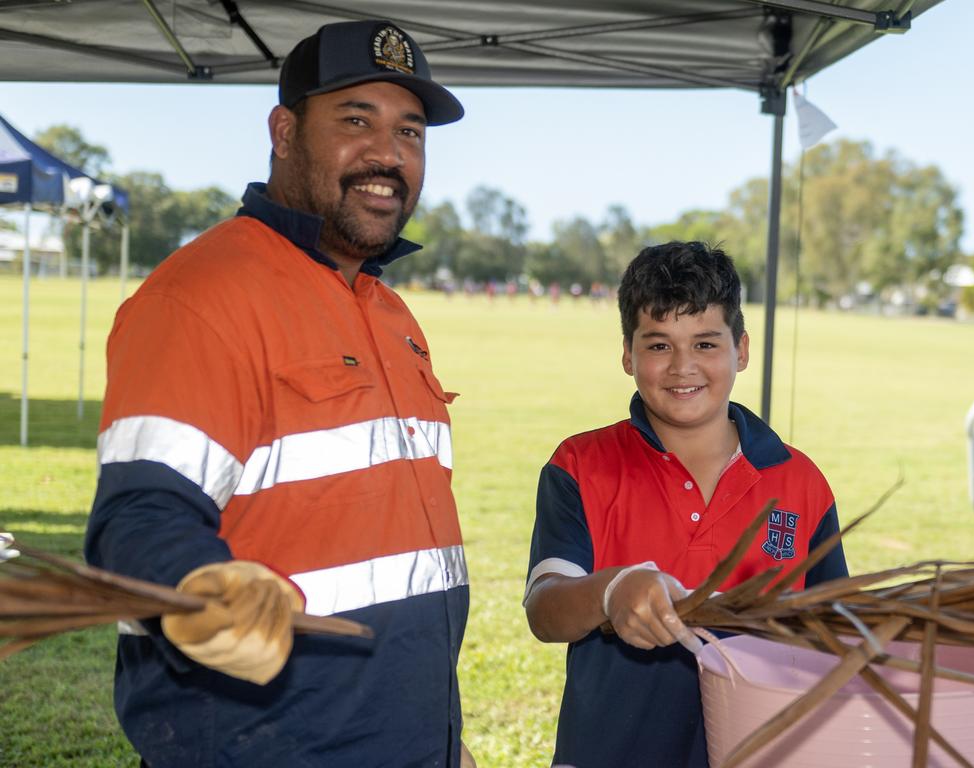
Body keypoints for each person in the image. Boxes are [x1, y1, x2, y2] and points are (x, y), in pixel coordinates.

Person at [85, 20, 475, 768]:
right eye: (356, 120)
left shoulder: (390, 314)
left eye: (411, 132)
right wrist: (202, 583)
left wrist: (444, 743)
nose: (388, 156)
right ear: (285, 130)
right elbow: (140, 516)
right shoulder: (202, 295)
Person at [523, 241, 848, 768]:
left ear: (741, 349)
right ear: (627, 354)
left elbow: (833, 634)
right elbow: (545, 610)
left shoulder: (801, 481)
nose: (682, 367)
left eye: (704, 344)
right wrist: (610, 591)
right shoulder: (580, 463)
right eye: (658, 346)